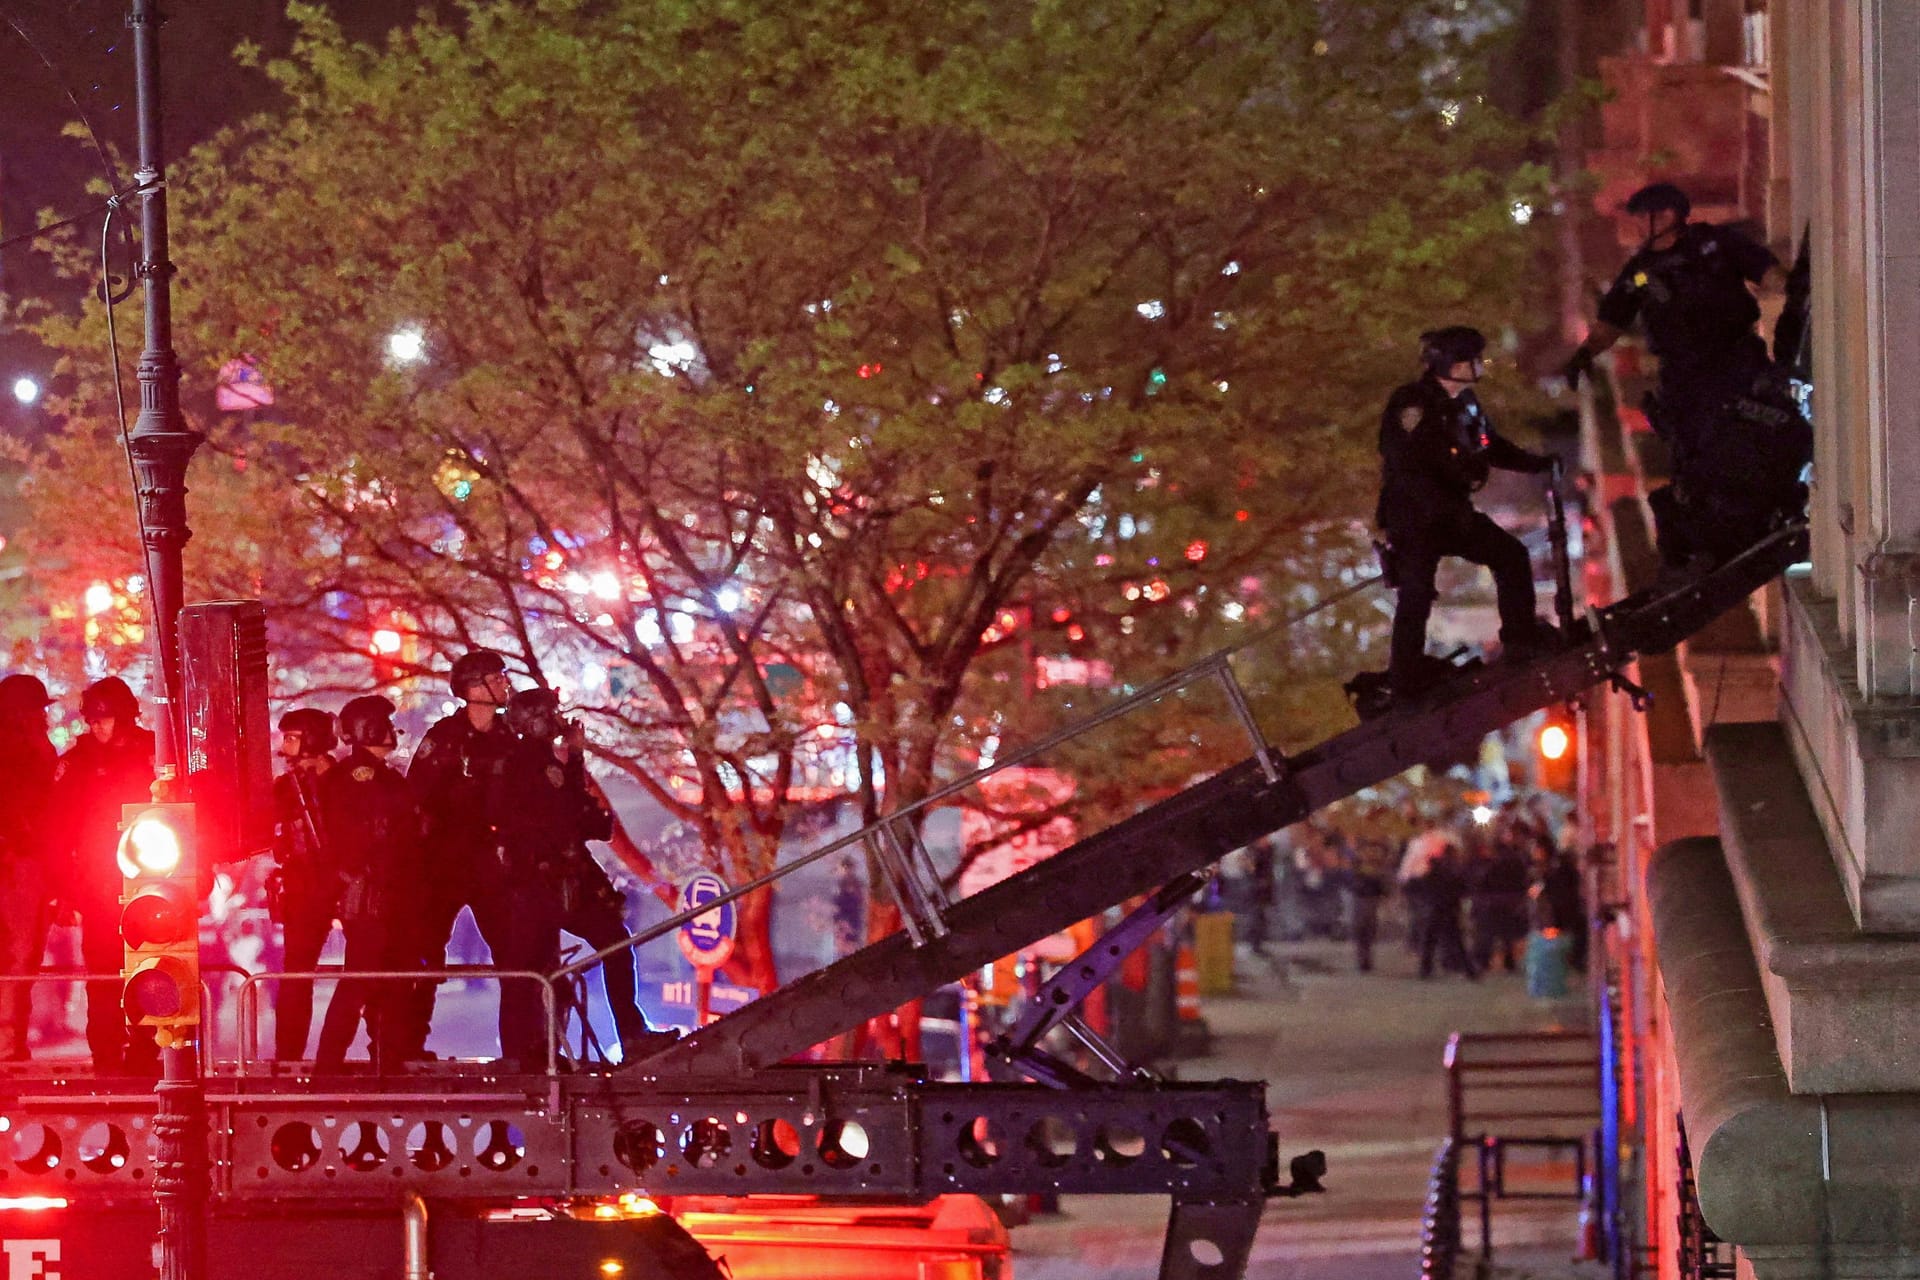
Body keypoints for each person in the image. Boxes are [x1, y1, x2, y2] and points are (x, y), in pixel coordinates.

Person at [1564, 182, 1802, 564]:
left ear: (1670, 215)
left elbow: (1767, 272)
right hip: (1683, 375)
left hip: (1735, 359)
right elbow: (1612, 321)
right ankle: (1696, 547)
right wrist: (1583, 355)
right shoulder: (1640, 271)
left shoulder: (1715, 244)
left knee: (1763, 429)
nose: (1640, 225)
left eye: (1645, 216)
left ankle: (1771, 508)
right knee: (1690, 459)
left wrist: (1799, 291)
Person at [488, 688, 671, 1068]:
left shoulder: (544, 761)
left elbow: (576, 805)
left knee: (606, 946)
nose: (558, 718)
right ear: (536, 719)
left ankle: (627, 1035)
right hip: (539, 881)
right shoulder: (519, 765)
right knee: (529, 969)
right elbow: (565, 815)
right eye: (551, 712)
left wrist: (575, 756)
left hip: (561, 877)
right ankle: (523, 1054)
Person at [1377, 325, 1559, 702]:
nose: (1478, 366)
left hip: (1453, 513)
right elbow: (1405, 466)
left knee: (1510, 556)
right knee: (1416, 593)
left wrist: (1537, 464)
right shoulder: (1412, 405)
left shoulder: (1467, 403)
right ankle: (1405, 678)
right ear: (1448, 364)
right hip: (1414, 519)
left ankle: (1520, 637)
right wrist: (1441, 509)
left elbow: (1491, 446)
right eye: (1470, 360)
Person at [400, 649, 517, 1059]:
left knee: (516, 957)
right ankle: (409, 1044)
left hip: (492, 865)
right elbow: (414, 798)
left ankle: (522, 1051)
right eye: (497, 677)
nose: (506, 683)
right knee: (425, 953)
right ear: (474, 687)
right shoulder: (445, 737)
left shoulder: (510, 738)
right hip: (443, 865)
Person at [51, 677, 159, 1076]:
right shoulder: (77, 763)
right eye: (92, 719)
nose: (96, 726)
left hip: (153, 882)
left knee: (152, 970)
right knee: (101, 978)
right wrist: (63, 892)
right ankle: (108, 1061)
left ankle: (147, 1052)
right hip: (97, 886)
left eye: (105, 718)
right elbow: (59, 831)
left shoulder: (155, 753)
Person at [313, 696, 422, 1072]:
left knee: (390, 981)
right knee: (361, 979)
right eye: (385, 724)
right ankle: (332, 1063)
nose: (393, 731)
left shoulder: (374, 776)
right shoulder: (362, 778)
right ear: (368, 729)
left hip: (389, 893)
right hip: (374, 895)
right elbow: (370, 837)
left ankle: (385, 1056)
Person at [268, 708, 340, 1061]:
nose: (285, 745)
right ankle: (288, 1056)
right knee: (296, 974)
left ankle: (368, 1053)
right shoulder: (284, 788)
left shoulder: (344, 782)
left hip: (345, 882)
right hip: (303, 885)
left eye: (293, 738)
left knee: (368, 974)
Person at [0, 675, 56, 1061]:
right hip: (20, 860)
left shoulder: (31, 749)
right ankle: (9, 1042)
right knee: (19, 954)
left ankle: (10, 1041)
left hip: (22, 857)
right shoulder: (31, 750)